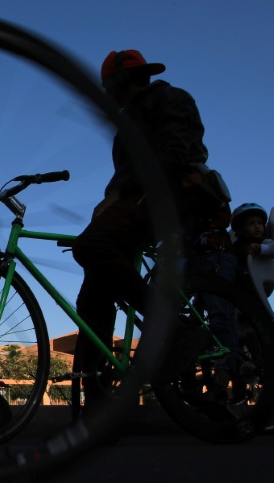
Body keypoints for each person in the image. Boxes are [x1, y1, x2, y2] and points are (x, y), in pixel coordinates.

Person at [71, 49, 233, 410]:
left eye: (106, 85)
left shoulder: (169, 98)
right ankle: (97, 409)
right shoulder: (127, 122)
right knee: (92, 297)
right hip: (141, 200)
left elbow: (173, 156)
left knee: (91, 245)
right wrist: (115, 196)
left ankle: (173, 326)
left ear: (117, 81)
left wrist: (119, 194)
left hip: (170, 196)